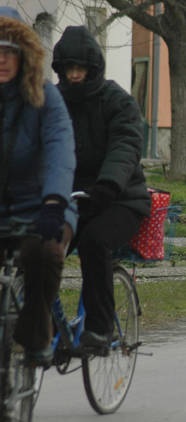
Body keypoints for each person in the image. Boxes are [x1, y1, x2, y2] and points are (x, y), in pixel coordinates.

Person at [52, 26, 151, 353]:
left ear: (94, 68)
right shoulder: (53, 103)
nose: (75, 75)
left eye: (81, 68)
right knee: (43, 250)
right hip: (72, 200)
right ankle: (48, 330)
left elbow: (125, 144)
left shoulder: (117, 101)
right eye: (69, 69)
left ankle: (100, 328)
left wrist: (109, 184)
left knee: (94, 243)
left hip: (120, 200)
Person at [0, 7, 76, 367]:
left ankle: (35, 338)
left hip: (40, 207)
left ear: (23, 53)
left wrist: (53, 200)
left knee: (45, 254)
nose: (1, 60)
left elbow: (59, 150)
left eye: (9, 51)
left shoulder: (44, 98)